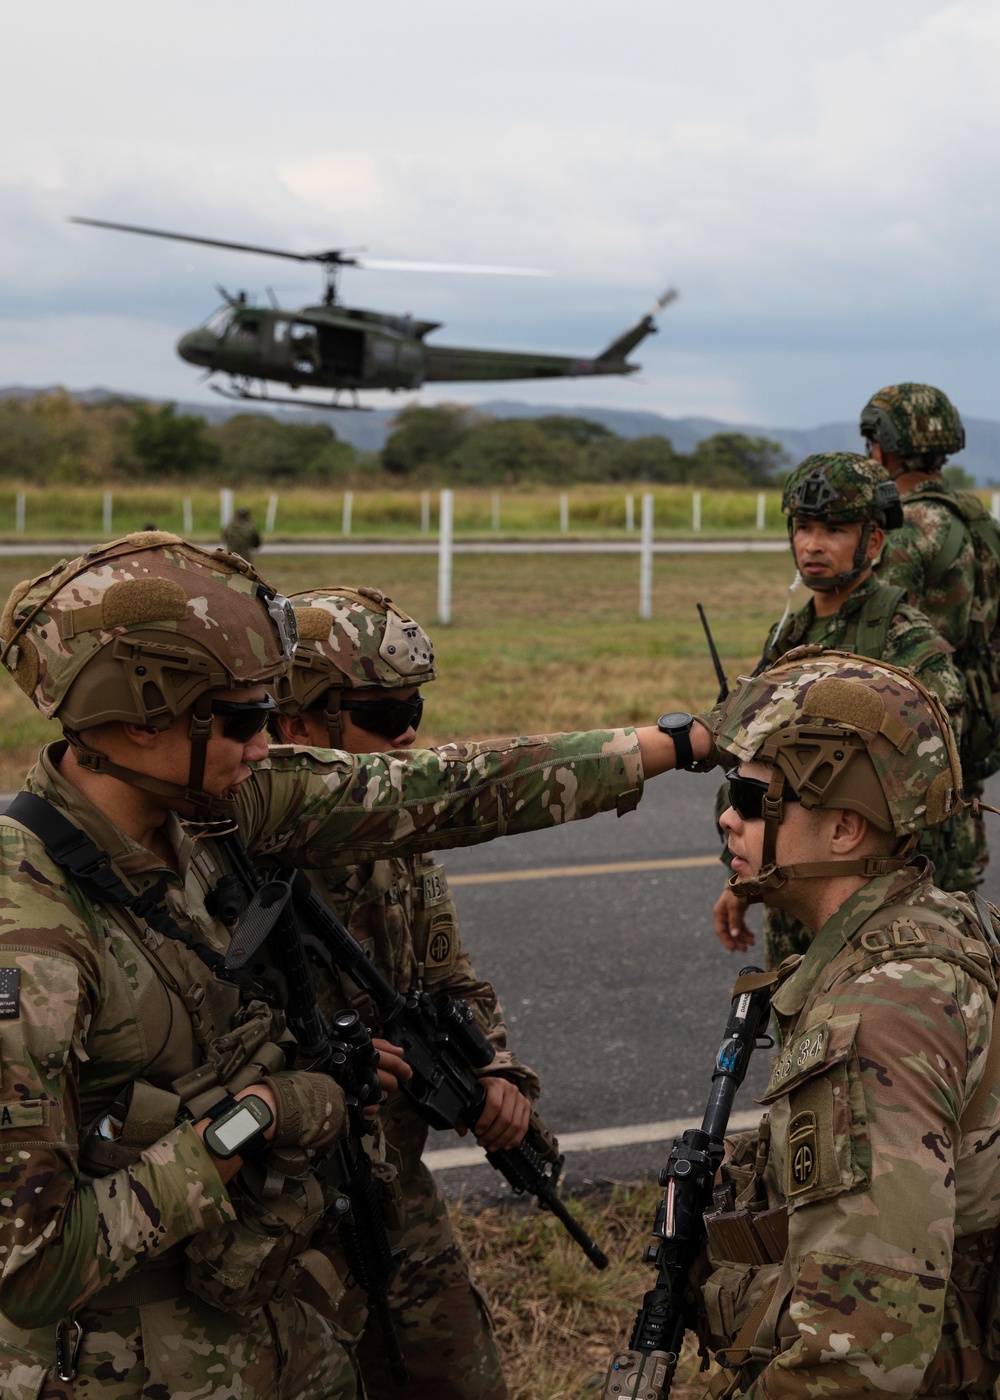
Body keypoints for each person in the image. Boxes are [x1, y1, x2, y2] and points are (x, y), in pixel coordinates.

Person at [0, 531, 707, 1399]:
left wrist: (674, 743)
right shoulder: (30, 935)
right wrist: (259, 1115)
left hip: (269, 1322)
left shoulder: (211, 811)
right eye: (248, 719)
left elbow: (444, 788)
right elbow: (30, 1269)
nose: (270, 745)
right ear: (143, 716)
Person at [695, 649, 1000, 1397]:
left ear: (843, 831)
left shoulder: (875, 1020)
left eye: (750, 796)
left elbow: (862, 1353)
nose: (728, 817)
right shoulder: (941, 917)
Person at [270, 585, 530, 1400]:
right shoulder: (238, 851)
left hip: (398, 1192)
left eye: (414, 705)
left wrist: (497, 1073)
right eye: (382, 714)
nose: (409, 731)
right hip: (281, 1212)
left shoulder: (401, 840)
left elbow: (451, 981)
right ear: (296, 724)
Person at [712, 452, 967, 968]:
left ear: (872, 541)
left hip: (871, 904)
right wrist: (741, 875)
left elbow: (931, 774)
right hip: (791, 884)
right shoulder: (792, 635)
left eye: (833, 529)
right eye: (803, 527)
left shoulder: (906, 640)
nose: (812, 545)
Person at [863, 381, 999, 887]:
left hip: (915, 724)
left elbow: (878, 630)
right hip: (971, 713)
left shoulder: (904, 527)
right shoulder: (973, 516)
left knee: (908, 879)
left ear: (882, 445)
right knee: (955, 879)